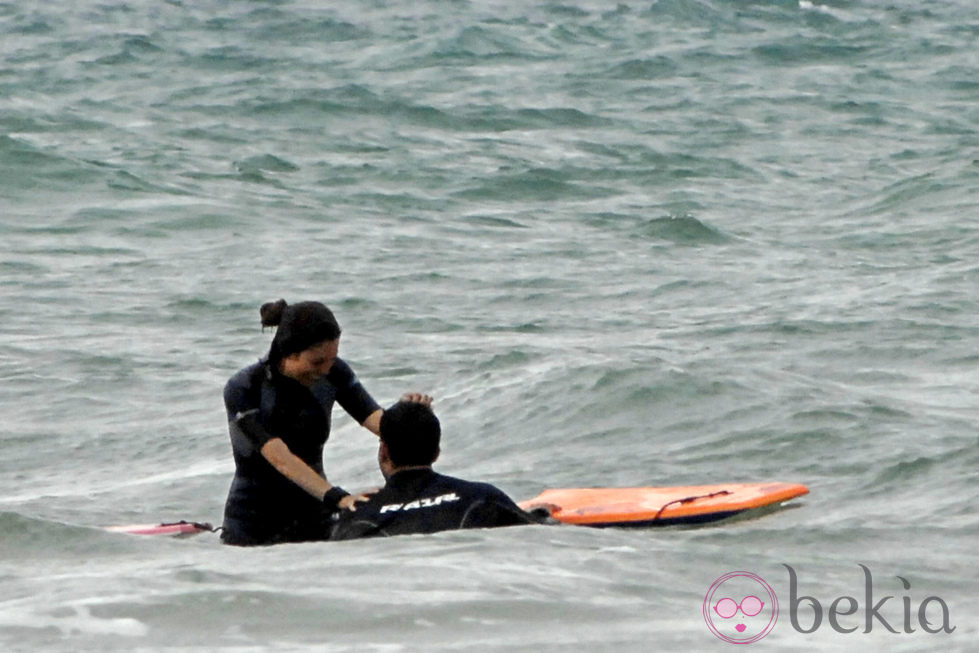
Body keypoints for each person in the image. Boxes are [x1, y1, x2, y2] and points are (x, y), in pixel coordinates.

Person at [220, 298, 429, 546]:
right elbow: (278, 457)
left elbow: (375, 420)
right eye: (317, 362)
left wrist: (409, 416)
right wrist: (337, 497)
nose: (326, 369)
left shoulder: (334, 372)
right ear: (290, 353)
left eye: (333, 358)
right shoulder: (244, 388)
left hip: (314, 517)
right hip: (252, 526)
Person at [329, 399, 537, 540]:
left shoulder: (355, 516)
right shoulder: (482, 497)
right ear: (437, 452)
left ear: (384, 451)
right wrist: (541, 512)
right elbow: (537, 534)